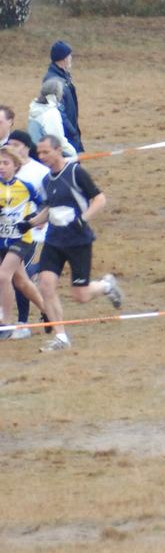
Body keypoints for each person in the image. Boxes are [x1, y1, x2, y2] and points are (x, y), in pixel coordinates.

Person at [28, 135, 123, 351]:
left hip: (78, 241)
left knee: (80, 295)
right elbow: (50, 209)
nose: (41, 156)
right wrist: (31, 223)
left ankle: (106, 286)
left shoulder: (75, 172)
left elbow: (100, 199)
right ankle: (61, 337)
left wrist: (84, 219)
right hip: (54, 241)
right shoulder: (46, 180)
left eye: (45, 152)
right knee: (46, 285)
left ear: (58, 150)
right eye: (39, 153)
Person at [0, 147, 48, 336]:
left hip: (21, 239)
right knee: (21, 281)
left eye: (6, 163)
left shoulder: (25, 186)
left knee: (3, 276)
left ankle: (5, 323)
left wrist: (34, 220)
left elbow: (44, 204)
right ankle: (48, 311)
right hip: (2, 239)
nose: (1, 167)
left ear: (16, 165)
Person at [41, 41, 81, 153]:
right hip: (64, 136)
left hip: (69, 133)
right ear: (64, 58)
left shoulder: (64, 76)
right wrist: (72, 132)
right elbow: (58, 111)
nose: (71, 58)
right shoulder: (54, 81)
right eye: (69, 55)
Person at [27, 77, 76, 158]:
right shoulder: (50, 112)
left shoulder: (36, 109)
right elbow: (57, 140)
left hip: (34, 152)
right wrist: (73, 153)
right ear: (58, 93)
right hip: (47, 153)